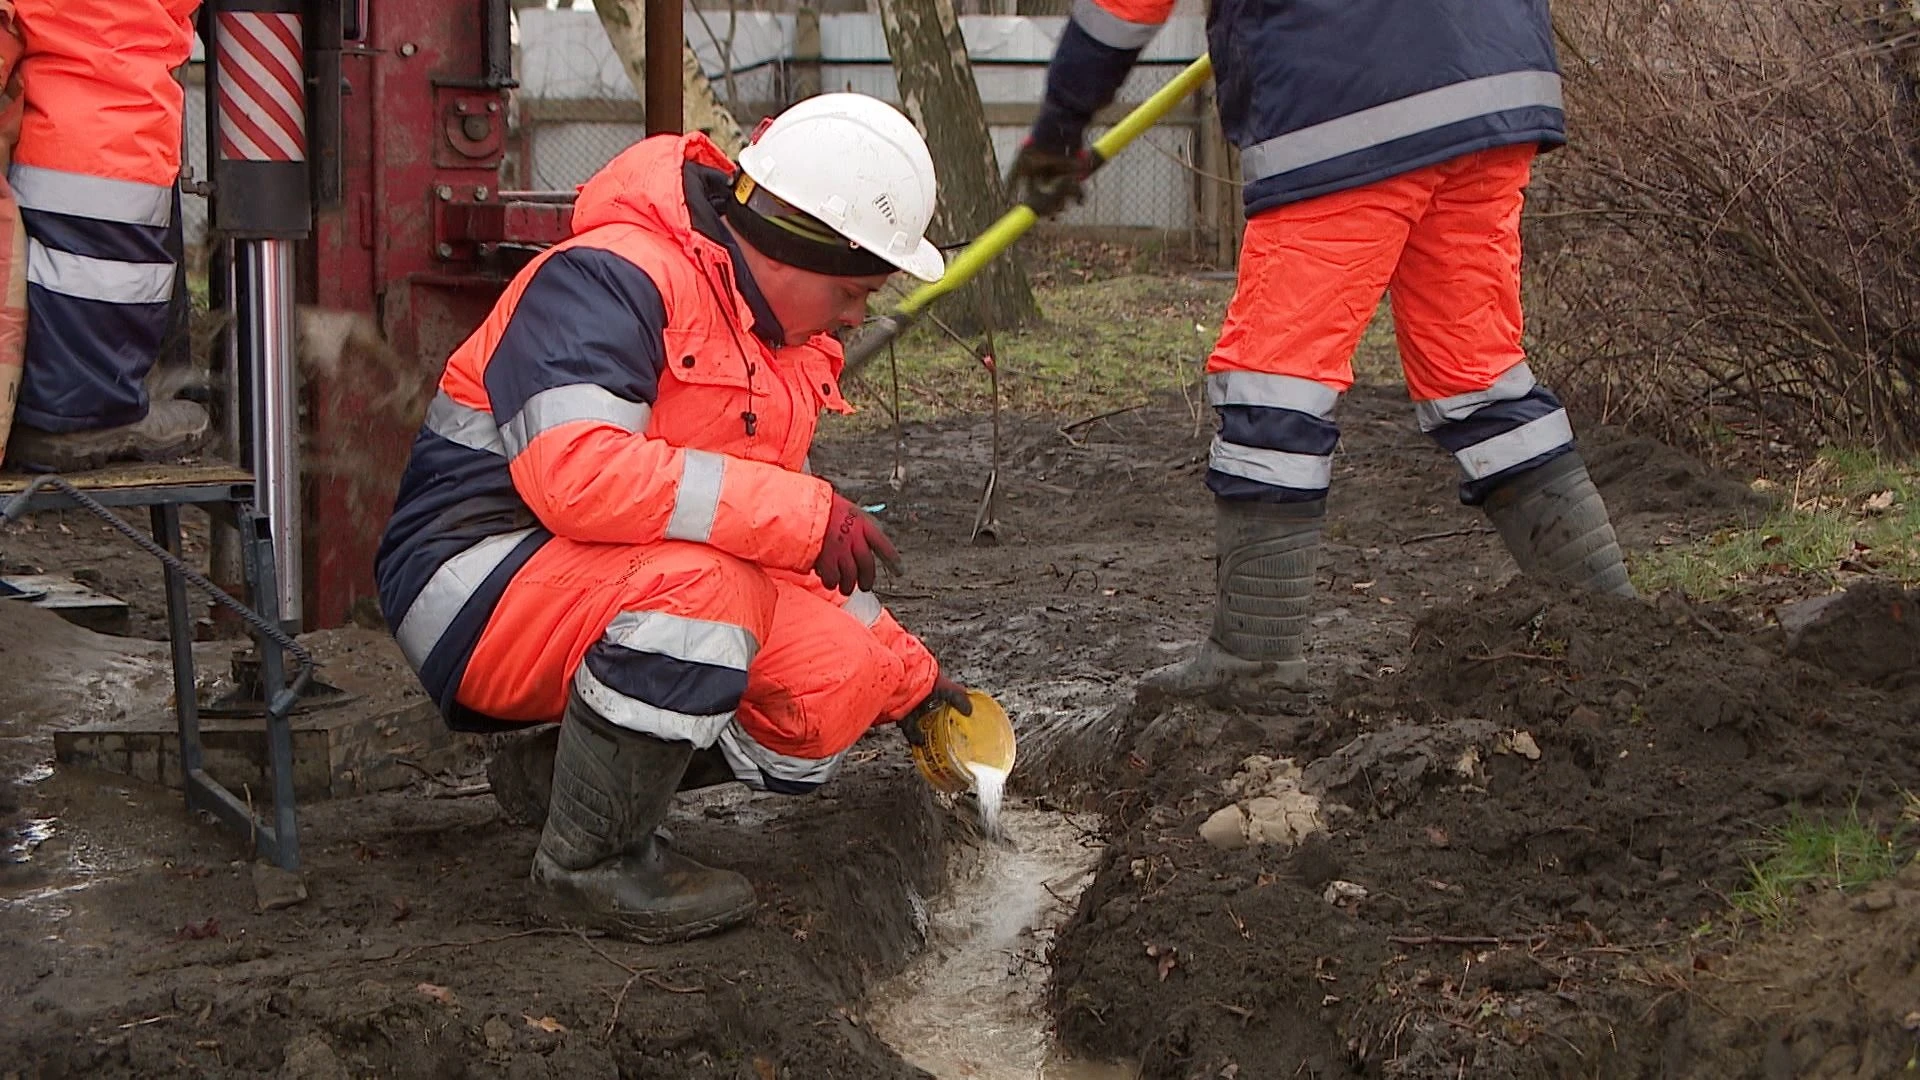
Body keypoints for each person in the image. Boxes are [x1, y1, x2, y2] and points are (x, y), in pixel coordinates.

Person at [374, 93, 970, 944]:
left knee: (839, 681)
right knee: (707, 593)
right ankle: (589, 866)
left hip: (600, 577)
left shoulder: (772, 345)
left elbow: (765, 536)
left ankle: (568, 779)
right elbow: (578, 477)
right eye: (853, 290)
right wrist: (806, 509)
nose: (854, 317)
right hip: (475, 585)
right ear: (795, 246)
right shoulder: (609, 278)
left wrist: (911, 683)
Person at [1011, 0, 1634, 699]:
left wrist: (1059, 127)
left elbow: (1120, 10)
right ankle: (1618, 627)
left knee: (1274, 378)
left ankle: (1254, 662)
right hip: (1496, 79)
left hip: (1352, 101)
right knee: (1478, 375)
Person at [2, 0, 208, 472]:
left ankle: (44, 395)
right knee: (111, 45)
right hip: (104, 124)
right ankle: (81, 407)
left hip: (44, 113)